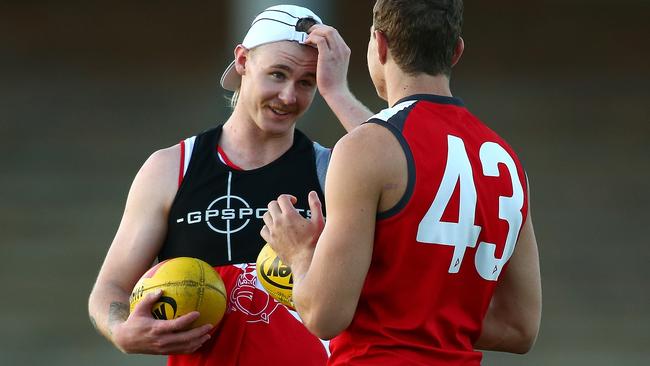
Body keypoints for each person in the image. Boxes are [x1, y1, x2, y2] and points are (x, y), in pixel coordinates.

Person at [88, 4, 372, 366]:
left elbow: (404, 167)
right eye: (277, 74)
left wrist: (338, 92)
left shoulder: (333, 170)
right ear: (242, 61)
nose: (289, 96)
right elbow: (109, 288)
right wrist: (120, 329)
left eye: (306, 82)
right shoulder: (170, 168)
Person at [261, 0, 542, 364]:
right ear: (455, 52)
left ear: (379, 44)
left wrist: (299, 253)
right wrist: (425, 310)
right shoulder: (506, 162)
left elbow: (323, 315)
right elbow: (520, 327)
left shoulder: (366, 150)